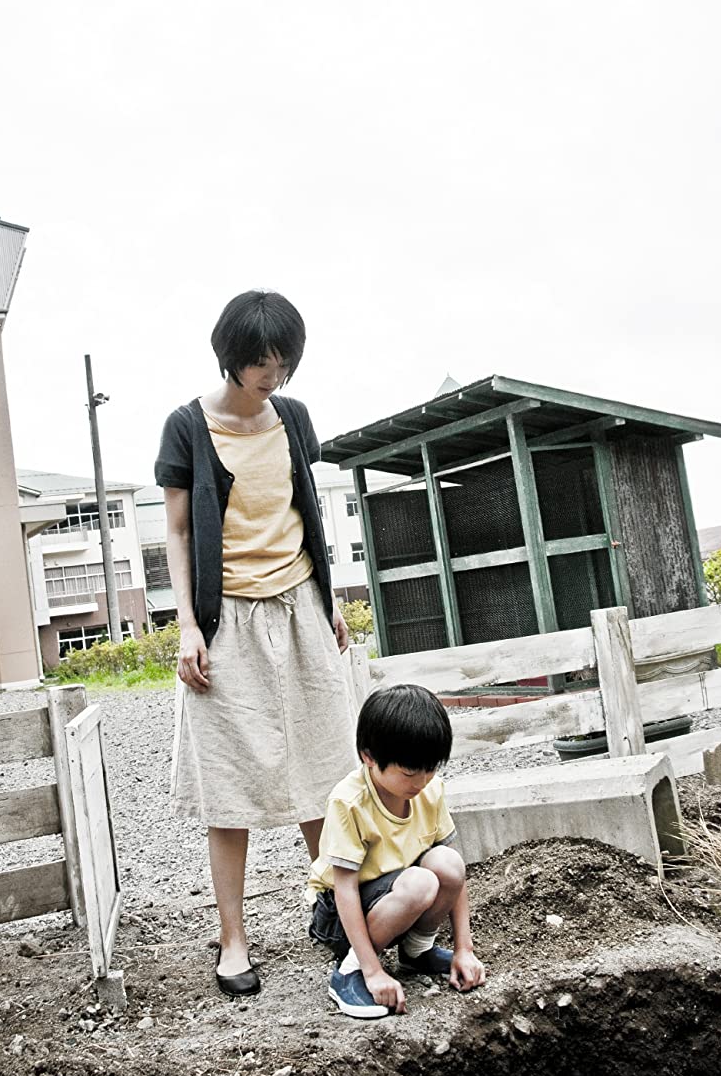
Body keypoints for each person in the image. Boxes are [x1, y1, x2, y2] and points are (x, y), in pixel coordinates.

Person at [155, 290, 355, 998]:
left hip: (301, 604)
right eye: (259, 362)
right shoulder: (187, 427)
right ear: (231, 358)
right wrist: (186, 624)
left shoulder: (295, 419)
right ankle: (234, 938)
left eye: (283, 362)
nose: (272, 375)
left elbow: (307, 514)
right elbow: (178, 533)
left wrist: (328, 604)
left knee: (324, 770)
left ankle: (339, 918)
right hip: (226, 617)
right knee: (230, 786)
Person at [306, 683, 487, 1019]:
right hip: (341, 915)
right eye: (408, 772)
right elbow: (344, 888)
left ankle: (416, 951)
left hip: (398, 892)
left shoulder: (429, 790)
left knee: (447, 863)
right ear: (369, 757)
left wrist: (464, 948)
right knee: (421, 883)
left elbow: (455, 876)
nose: (420, 782)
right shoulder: (349, 802)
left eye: (431, 769)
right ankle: (351, 971)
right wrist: (374, 970)